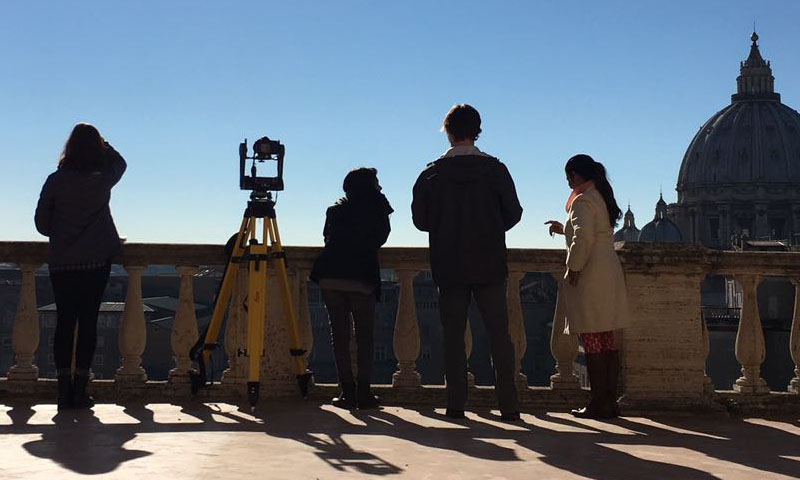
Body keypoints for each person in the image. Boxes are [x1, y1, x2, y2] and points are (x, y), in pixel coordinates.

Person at [412, 104, 522, 421]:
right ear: (477, 131)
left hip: (449, 264)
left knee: (452, 337)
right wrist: (487, 226)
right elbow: (513, 213)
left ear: (448, 132)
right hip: (489, 262)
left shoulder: (431, 174)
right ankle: (509, 406)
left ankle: (456, 404)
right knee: (499, 336)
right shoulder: (496, 170)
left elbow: (421, 220)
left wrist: (447, 225)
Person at [34, 123, 127, 410]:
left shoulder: (55, 180)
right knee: (88, 323)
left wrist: (61, 233)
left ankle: (63, 392)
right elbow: (121, 163)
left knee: (64, 324)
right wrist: (105, 145)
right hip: (96, 261)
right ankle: (79, 390)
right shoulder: (102, 179)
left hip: (62, 263)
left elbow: (41, 223)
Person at [545, 153, 630, 419]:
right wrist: (564, 229)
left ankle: (597, 402)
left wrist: (573, 267)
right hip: (608, 270)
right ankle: (609, 401)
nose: (569, 180)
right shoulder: (598, 196)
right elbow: (591, 230)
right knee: (606, 341)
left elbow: (583, 239)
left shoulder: (582, 201)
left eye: (572, 175)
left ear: (583, 174)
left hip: (591, 272)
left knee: (591, 339)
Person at [310, 167, 393, 409]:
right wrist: (380, 199)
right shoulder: (375, 208)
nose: (380, 186)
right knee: (365, 336)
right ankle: (364, 392)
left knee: (340, 336)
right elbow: (381, 237)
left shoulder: (335, 210)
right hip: (360, 278)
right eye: (377, 182)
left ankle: (346, 392)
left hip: (331, 275)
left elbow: (327, 237)